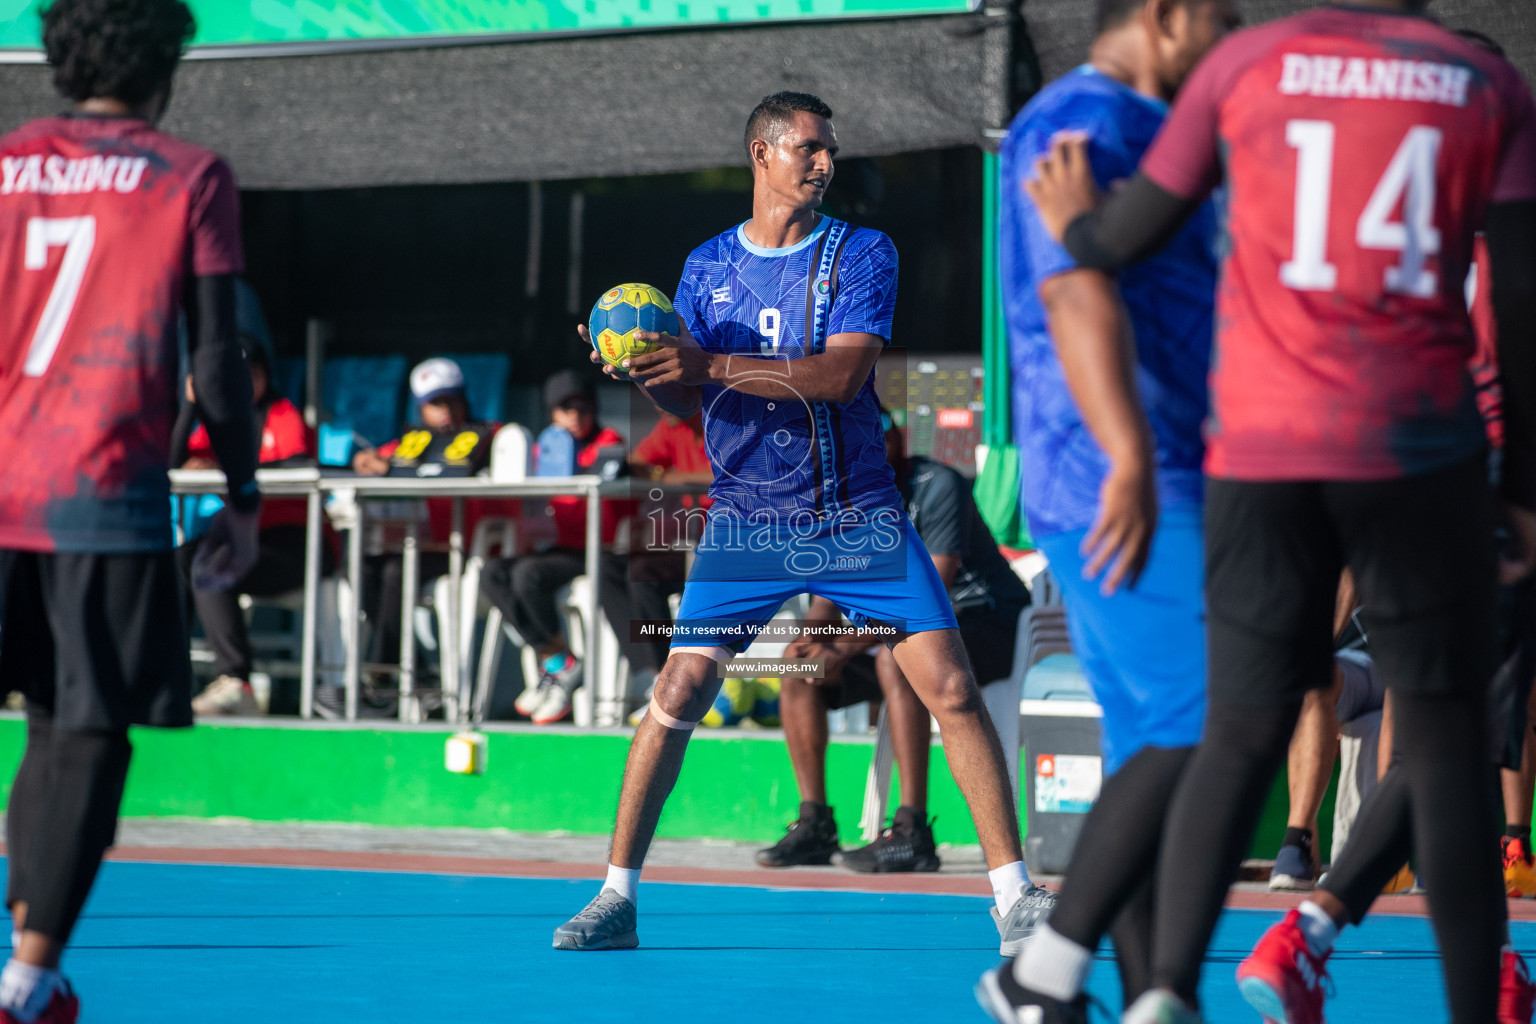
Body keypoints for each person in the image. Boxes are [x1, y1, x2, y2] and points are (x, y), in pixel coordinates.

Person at [1023, 1, 1536, 1020]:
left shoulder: (1249, 63)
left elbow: (1130, 233)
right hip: (1418, 446)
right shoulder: (1485, 83)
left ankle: (1165, 988)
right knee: (1442, 739)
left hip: (1264, 446)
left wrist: (1077, 223)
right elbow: (1520, 293)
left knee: (1241, 725)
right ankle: (1477, 1007)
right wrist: (1520, 486)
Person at [551, 90, 1053, 955]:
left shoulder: (862, 252)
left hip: (854, 514)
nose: (826, 162)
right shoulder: (706, 268)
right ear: (762, 155)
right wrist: (641, 370)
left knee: (952, 687)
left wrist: (712, 361)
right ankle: (614, 898)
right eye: (810, 148)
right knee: (676, 693)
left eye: (830, 150)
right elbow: (687, 392)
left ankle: (1015, 896)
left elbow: (840, 378)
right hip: (746, 522)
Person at [973, 0, 1235, 1018]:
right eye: (1224, 19)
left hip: (1158, 468)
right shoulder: (1080, 122)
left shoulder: (1157, 131)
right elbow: (1073, 294)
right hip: (1125, 478)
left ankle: (1154, 994)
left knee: (1144, 742)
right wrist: (1129, 451)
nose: (1232, 41)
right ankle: (1039, 969)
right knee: (1203, 720)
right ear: (1170, 15)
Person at [0, 0, 261, 1019]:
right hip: (96, 494)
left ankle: (39, 973)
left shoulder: (6, 163)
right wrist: (240, 489)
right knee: (86, 730)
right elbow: (218, 362)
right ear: (167, 66)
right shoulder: (188, 177)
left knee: (37, 723)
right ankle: (25, 973)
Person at [760, 409, 1031, 874]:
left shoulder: (938, 483)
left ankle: (913, 831)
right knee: (798, 671)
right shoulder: (840, 498)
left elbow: (931, 594)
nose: (871, 451)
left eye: (879, 439)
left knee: (903, 659)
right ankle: (815, 823)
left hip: (987, 620)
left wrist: (843, 647)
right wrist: (812, 639)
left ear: (898, 441)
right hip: (894, 630)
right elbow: (829, 590)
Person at [173, 334, 335, 716]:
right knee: (183, 559)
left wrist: (233, 470)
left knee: (211, 564)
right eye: (235, 374)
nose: (245, 382)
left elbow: (298, 464)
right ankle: (171, 675)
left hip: (302, 544)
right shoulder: (219, 420)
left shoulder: (281, 412)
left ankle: (236, 681)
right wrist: (192, 407)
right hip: (248, 542)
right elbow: (172, 460)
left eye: (253, 373)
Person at [345, 356, 510, 716]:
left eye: (452, 399)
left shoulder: (490, 434)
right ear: (421, 408)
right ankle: (417, 674)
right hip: (420, 548)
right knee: (362, 568)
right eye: (436, 403)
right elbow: (380, 459)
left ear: (465, 398)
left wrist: (390, 467)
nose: (446, 410)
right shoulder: (415, 440)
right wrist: (367, 461)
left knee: (394, 572)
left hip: (467, 549)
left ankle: (380, 673)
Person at [480, 368, 628, 725]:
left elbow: (602, 489)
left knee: (529, 575)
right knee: (494, 572)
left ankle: (560, 666)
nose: (575, 416)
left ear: (593, 409)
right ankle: (558, 659)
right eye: (566, 409)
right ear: (553, 414)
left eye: (582, 407)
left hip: (597, 550)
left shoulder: (608, 442)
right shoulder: (543, 449)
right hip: (558, 547)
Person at [600, 409, 711, 704]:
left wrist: (664, 476)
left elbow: (725, 477)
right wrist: (628, 467)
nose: (658, 403)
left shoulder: (724, 417)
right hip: (689, 541)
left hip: (733, 546)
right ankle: (653, 673)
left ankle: (671, 680)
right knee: (607, 566)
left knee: (642, 573)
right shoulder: (671, 423)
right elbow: (637, 463)